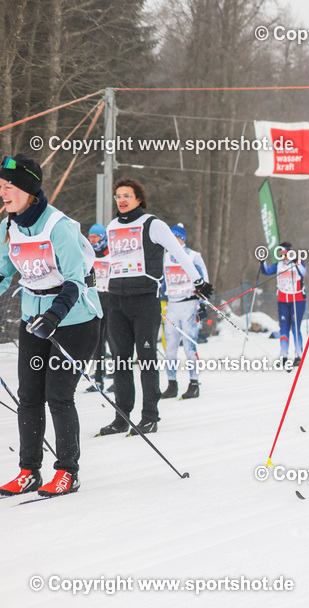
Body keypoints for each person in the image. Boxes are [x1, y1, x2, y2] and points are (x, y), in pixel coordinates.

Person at [0, 154, 101, 496]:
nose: (3, 192)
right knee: (28, 396)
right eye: (0, 186)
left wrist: (54, 317)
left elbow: (76, 281)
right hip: (33, 318)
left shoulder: (59, 227)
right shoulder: (8, 227)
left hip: (75, 320)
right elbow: (3, 274)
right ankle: (29, 470)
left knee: (58, 395)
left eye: (9, 186)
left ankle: (67, 472)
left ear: (29, 190)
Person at [99, 178, 210, 436]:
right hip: (116, 300)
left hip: (144, 300)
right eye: (118, 196)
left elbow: (178, 252)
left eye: (127, 195)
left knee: (147, 359)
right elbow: (107, 262)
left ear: (139, 199)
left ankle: (150, 416)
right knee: (121, 361)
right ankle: (121, 417)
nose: (122, 200)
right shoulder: (112, 226)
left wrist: (199, 282)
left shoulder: (153, 224)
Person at [160, 223, 208, 400]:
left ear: (182, 238)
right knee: (170, 348)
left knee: (189, 347)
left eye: (176, 237)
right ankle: (171, 384)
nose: (173, 240)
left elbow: (204, 280)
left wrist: (203, 303)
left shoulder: (194, 256)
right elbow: (162, 282)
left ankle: (194, 383)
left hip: (189, 305)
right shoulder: (165, 258)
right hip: (172, 306)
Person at [259, 242, 306, 370]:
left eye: (285, 254)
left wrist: (296, 261)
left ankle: (298, 355)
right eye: (281, 255)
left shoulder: (297, 262)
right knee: (283, 328)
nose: (283, 257)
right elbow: (266, 271)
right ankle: (284, 355)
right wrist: (262, 261)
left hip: (297, 300)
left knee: (295, 327)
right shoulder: (278, 265)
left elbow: (303, 272)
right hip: (283, 300)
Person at [86, 223, 111, 391]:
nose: (93, 240)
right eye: (91, 237)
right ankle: (99, 378)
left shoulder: (112, 256)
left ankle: (120, 378)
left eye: (96, 237)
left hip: (111, 300)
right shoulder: (88, 256)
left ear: (103, 238)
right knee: (97, 343)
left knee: (115, 341)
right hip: (95, 300)